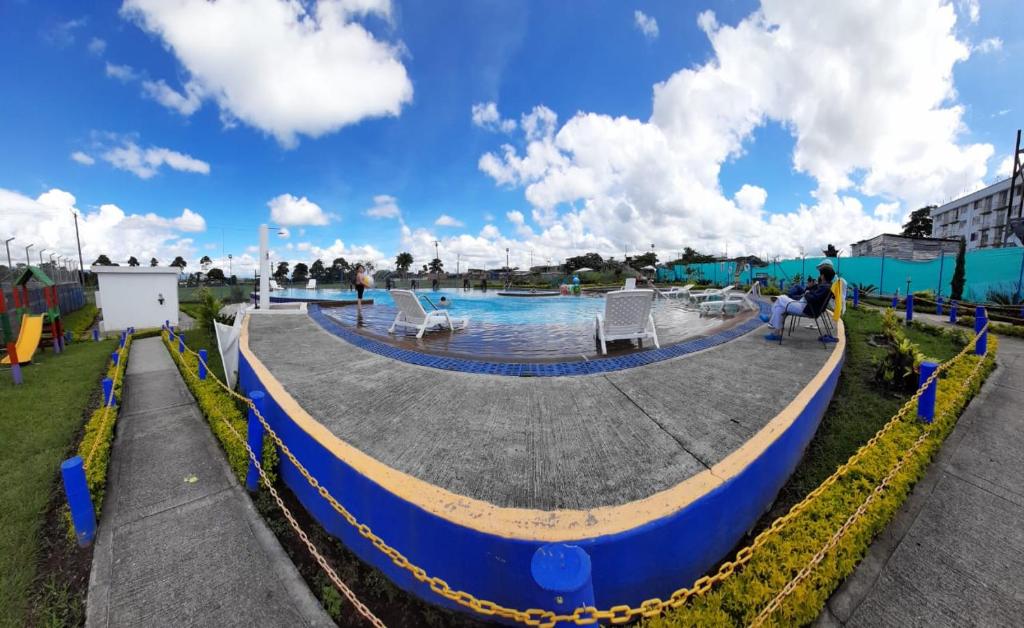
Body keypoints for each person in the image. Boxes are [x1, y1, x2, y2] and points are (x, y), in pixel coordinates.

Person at [762, 260, 836, 340]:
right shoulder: (827, 286)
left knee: (780, 299)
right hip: (806, 305)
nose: (820, 276)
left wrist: (807, 293)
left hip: (806, 308)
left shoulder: (824, 287)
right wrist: (809, 291)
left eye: (820, 274)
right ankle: (776, 333)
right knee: (780, 307)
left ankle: (772, 323)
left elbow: (812, 298)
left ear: (823, 276)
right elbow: (814, 296)